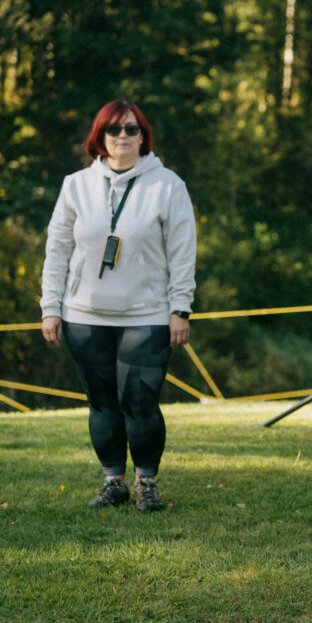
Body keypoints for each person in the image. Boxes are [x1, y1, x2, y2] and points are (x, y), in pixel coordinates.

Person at [40, 100, 196, 513]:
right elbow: (57, 250)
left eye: (131, 129)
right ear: (100, 138)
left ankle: (147, 483)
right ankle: (114, 482)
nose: (122, 136)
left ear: (143, 137)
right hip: (83, 314)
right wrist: (50, 307)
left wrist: (180, 308)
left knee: (140, 402)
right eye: (114, 130)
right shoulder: (75, 185)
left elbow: (182, 252)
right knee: (101, 402)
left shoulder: (168, 186)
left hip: (148, 313)